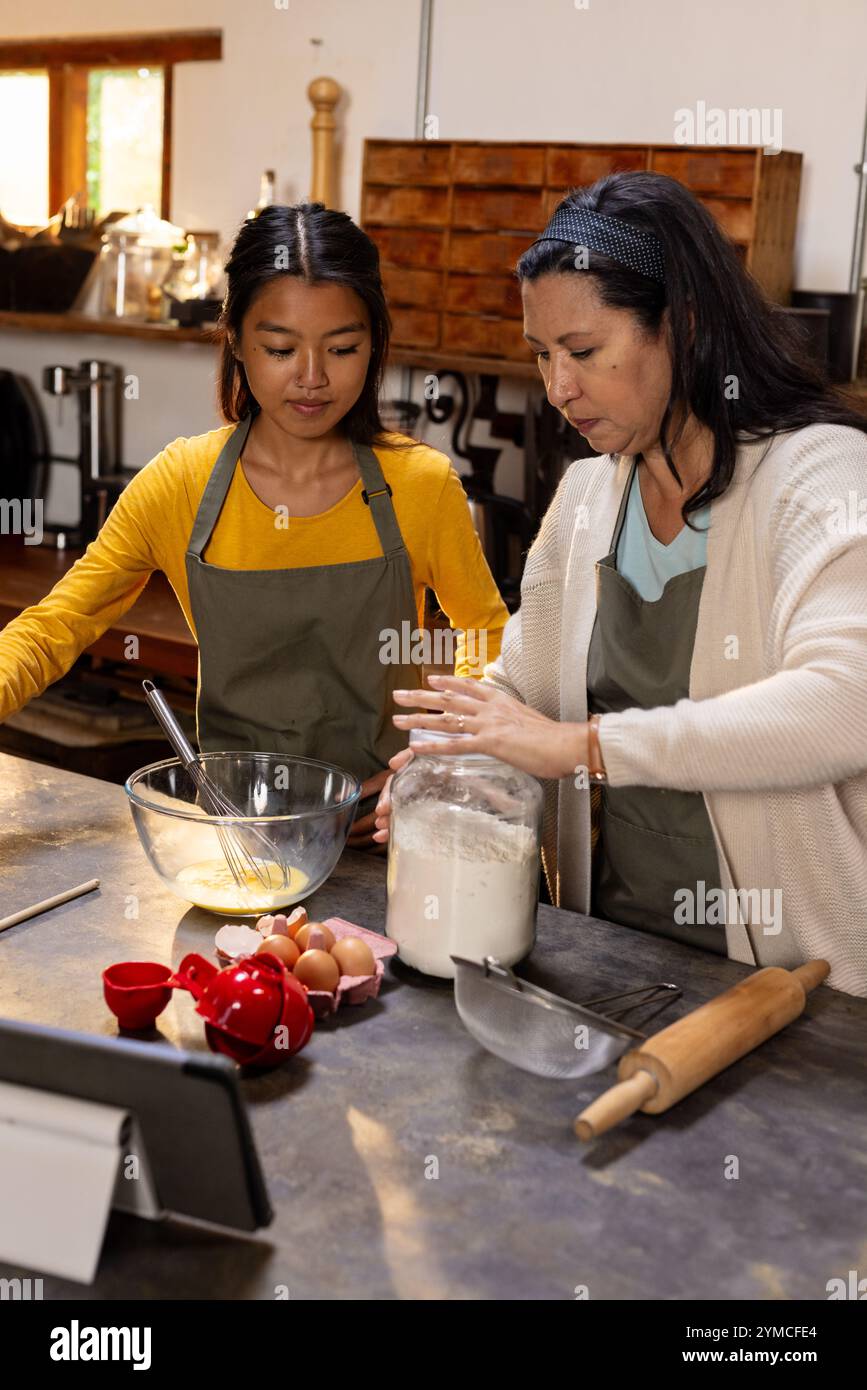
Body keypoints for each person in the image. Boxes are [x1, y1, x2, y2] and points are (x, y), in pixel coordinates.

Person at [376, 171, 867, 994]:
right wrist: (442, 771)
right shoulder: (586, 497)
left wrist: (586, 749)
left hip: (793, 990)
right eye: (540, 355)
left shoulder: (818, 478)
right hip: (614, 961)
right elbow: (519, 696)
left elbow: (844, 702)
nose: (557, 389)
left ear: (684, 325)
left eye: (583, 352)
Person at [0, 203, 508, 848]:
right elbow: (55, 627)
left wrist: (434, 764)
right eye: (280, 348)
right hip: (238, 839)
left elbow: (484, 632)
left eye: (343, 348)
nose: (313, 378)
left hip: (384, 837)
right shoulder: (180, 483)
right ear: (236, 338)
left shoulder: (420, 485)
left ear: (374, 342)